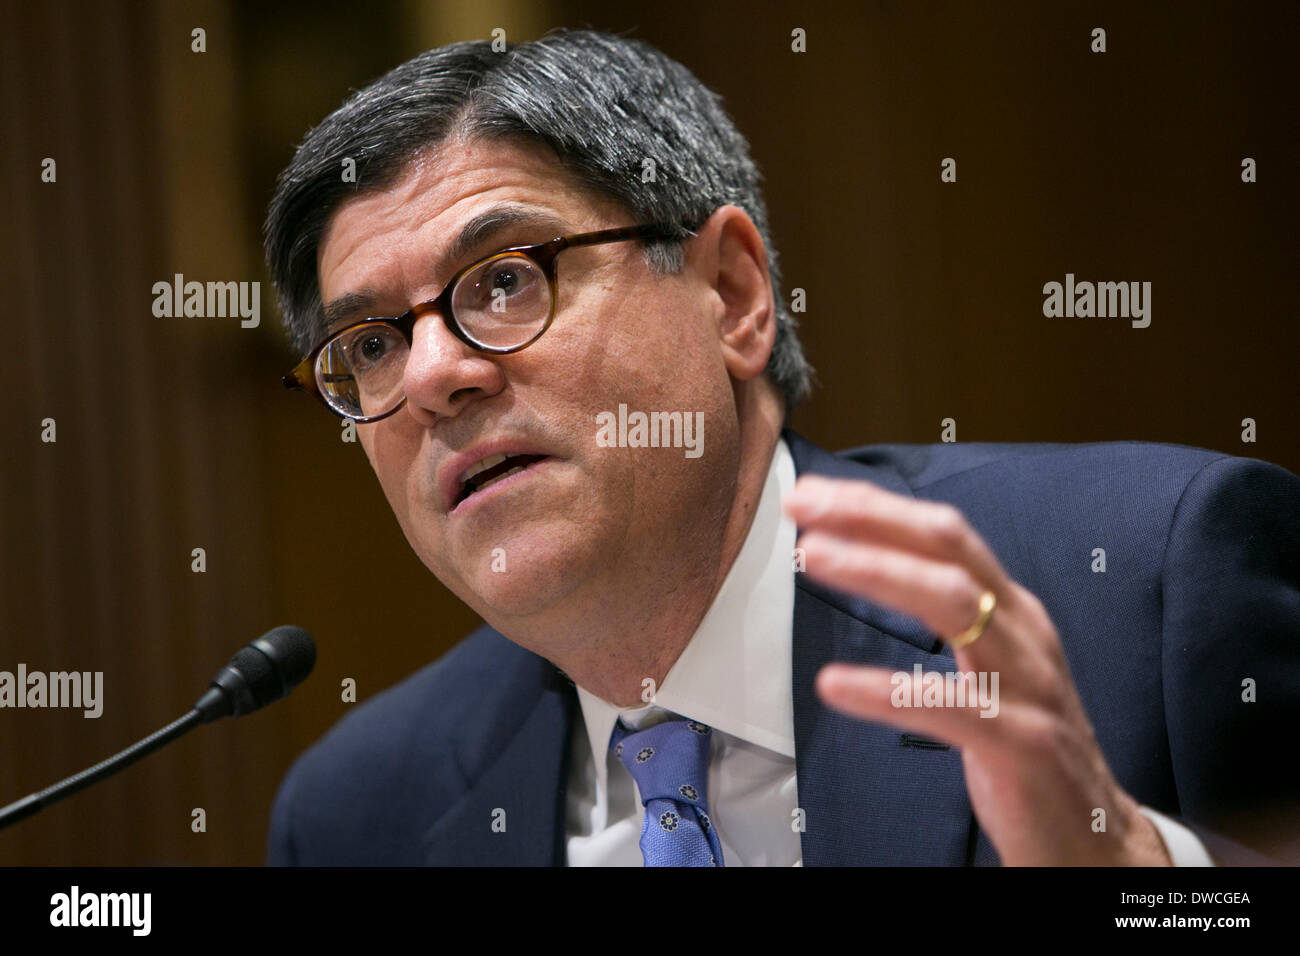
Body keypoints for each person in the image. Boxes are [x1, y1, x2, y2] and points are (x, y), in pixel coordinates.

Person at [263, 29, 1300, 866]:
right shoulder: (360, 811)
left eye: (502, 278)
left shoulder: (1147, 583)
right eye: (371, 344)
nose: (438, 373)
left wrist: (1133, 868)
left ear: (732, 295)